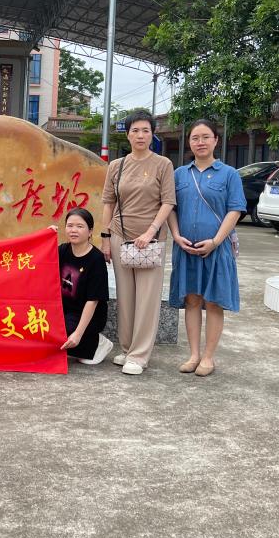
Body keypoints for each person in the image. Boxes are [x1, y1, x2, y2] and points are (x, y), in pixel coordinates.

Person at [168, 118, 245, 377]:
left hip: (217, 249)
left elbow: (235, 210)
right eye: (195, 138)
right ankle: (193, 354)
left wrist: (215, 241)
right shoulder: (180, 174)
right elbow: (171, 208)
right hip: (186, 249)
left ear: (216, 140)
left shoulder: (229, 174)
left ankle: (208, 357)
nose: (200, 142)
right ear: (189, 142)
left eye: (205, 137)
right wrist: (176, 236)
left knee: (213, 302)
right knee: (192, 300)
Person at [100, 110, 175, 376]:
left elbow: (168, 202)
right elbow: (108, 203)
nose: (140, 135)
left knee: (147, 298)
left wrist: (151, 230)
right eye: (135, 130)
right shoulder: (116, 166)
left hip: (150, 240)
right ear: (128, 134)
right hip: (120, 236)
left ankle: (140, 355)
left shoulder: (163, 164)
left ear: (152, 134)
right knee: (125, 296)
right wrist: (105, 238)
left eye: (145, 130)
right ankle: (127, 347)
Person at [56, 208, 113, 365]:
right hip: (65, 310)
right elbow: (40, 258)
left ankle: (98, 342)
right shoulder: (62, 250)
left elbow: (93, 301)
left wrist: (78, 334)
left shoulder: (96, 259)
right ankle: (83, 345)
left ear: (90, 231)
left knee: (63, 335)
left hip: (88, 314)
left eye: (80, 226)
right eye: (70, 225)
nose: (73, 230)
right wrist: (46, 236)